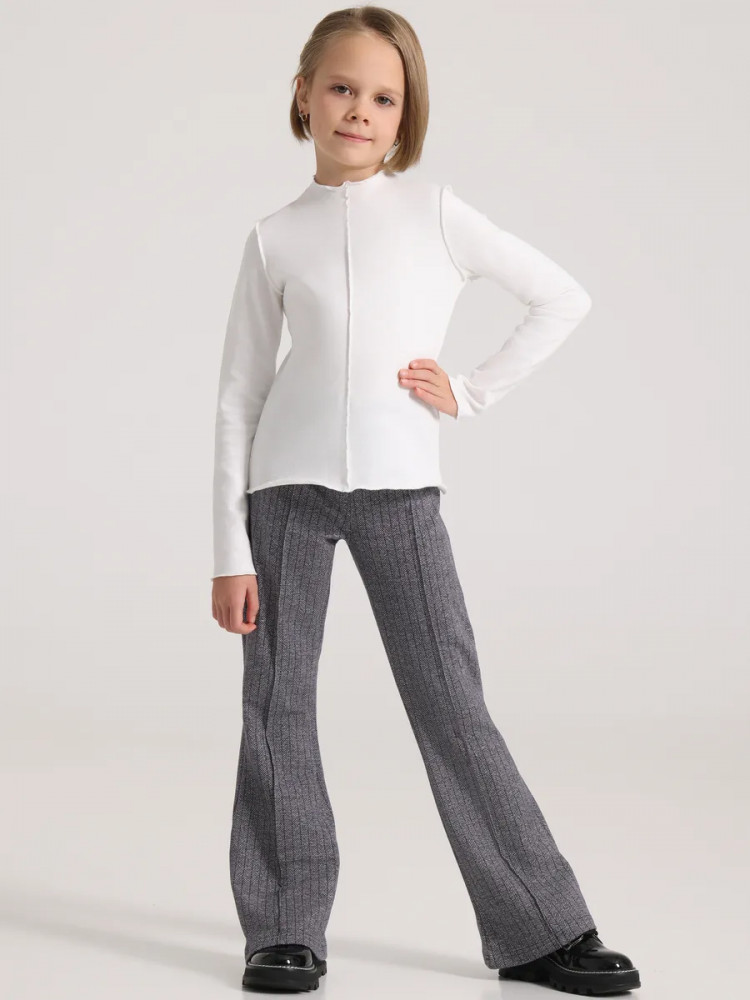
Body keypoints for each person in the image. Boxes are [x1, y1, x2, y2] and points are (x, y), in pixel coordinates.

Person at [211, 6, 641, 996]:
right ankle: (283, 927)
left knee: (451, 702)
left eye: (383, 97)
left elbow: (561, 296)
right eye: (341, 88)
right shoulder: (275, 237)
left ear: (406, 116)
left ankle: (539, 927)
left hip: (401, 492)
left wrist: (472, 391)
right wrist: (227, 548)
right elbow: (239, 394)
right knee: (277, 706)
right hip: (284, 494)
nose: (359, 110)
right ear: (303, 95)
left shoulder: (436, 211)